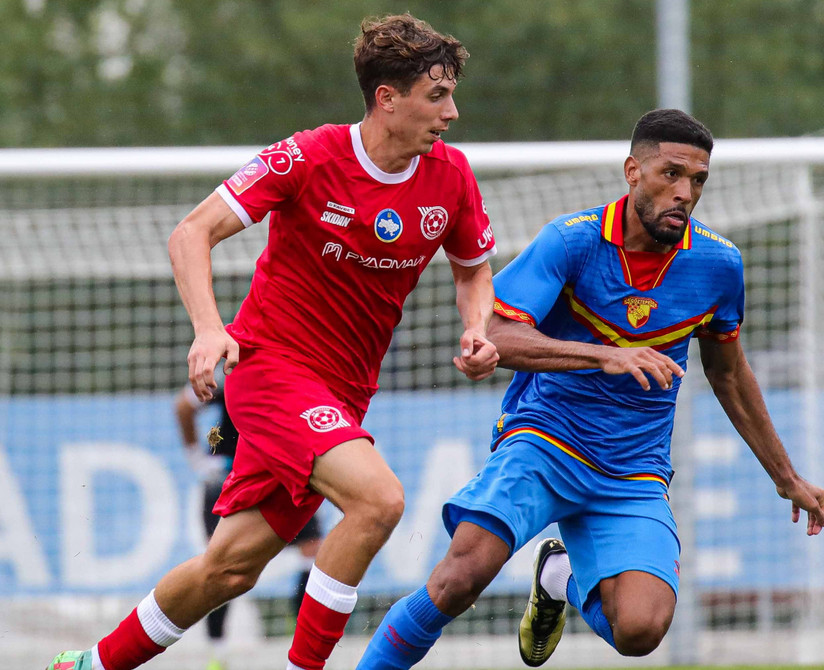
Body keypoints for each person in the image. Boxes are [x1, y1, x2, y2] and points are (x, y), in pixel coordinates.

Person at [47, 13, 498, 670]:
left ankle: (87, 664)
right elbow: (191, 233)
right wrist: (210, 329)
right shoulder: (309, 157)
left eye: (451, 95)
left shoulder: (451, 176)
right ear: (387, 98)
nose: (452, 113)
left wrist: (477, 325)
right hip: (271, 372)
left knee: (229, 568)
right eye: (437, 96)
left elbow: (473, 270)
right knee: (378, 500)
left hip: (345, 394)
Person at [353, 109, 824, 670]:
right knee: (460, 579)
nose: (684, 193)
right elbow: (495, 332)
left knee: (641, 630)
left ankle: (559, 579)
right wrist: (605, 355)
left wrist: (786, 476)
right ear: (632, 171)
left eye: (698, 180)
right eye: (671, 174)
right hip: (544, 442)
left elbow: (728, 374)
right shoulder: (572, 240)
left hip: (633, 469)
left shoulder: (719, 265)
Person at [173, 384, 324, 670]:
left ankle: (300, 645)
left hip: (278, 475)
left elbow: (183, 406)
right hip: (237, 477)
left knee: (313, 551)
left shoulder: (292, 381)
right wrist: (197, 459)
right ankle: (219, 655)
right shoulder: (236, 379)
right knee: (219, 564)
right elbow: (183, 405)